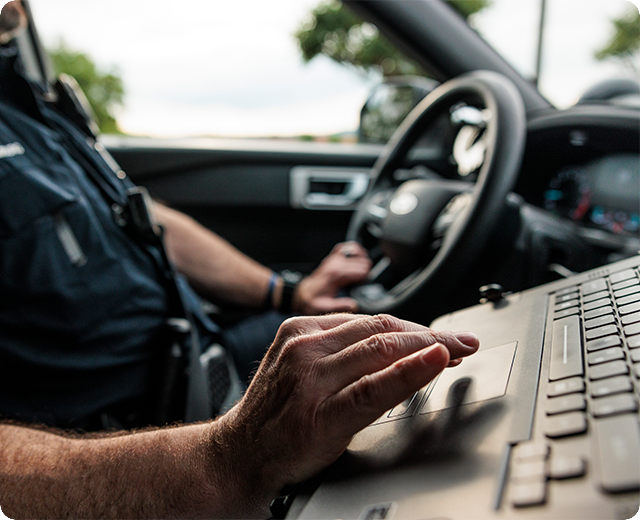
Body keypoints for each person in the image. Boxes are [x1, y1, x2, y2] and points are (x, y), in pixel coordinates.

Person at [0, 2, 481, 519]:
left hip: (204, 354)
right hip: (130, 437)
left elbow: (145, 218)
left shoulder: (29, 102)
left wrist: (287, 292)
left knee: (398, 359)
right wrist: (223, 461)